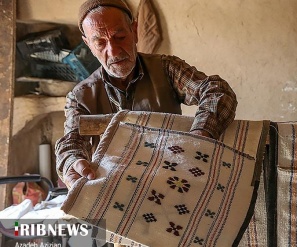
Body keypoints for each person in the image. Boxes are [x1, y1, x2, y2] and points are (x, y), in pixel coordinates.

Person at [55, 0, 237, 189]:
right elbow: (71, 143)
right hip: (115, 189)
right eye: (100, 42)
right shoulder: (81, 96)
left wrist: (199, 136)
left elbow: (217, 91)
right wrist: (72, 162)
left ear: (134, 31)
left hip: (172, 181)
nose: (114, 51)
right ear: (88, 45)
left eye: (119, 36)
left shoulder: (166, 69)